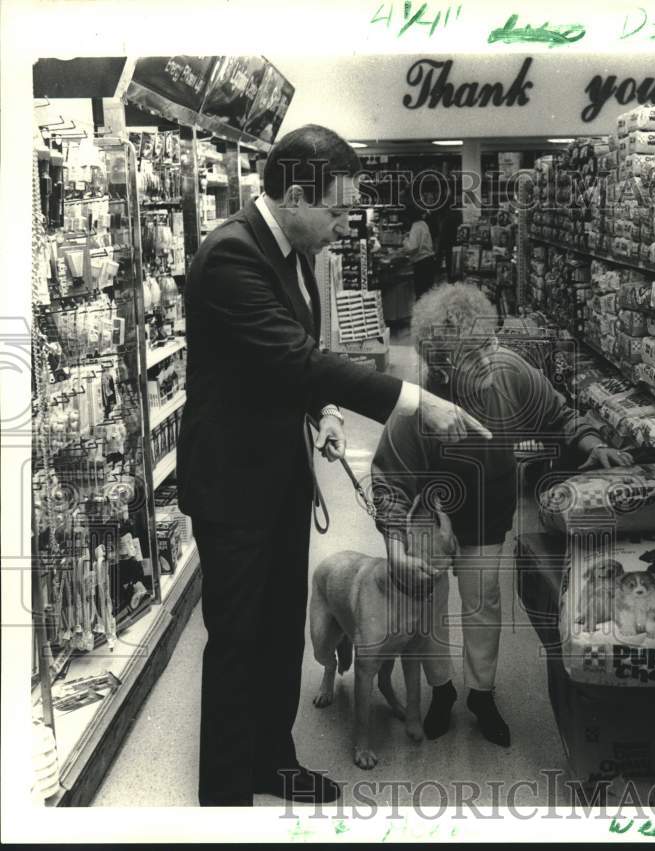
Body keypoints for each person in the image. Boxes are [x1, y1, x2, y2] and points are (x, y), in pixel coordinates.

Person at [177, 125, 491, 807]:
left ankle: (272, 759)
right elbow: (295, 358)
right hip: (234, 486)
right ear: (296, 195)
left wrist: (320, 411)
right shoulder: (230, 254)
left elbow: (292, 355)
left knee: (282, 623)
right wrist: (413, 400)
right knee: (237, 640)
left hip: (280, 474)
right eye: (339, 209)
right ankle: (226, 801)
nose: (346, 224)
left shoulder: (295, 253)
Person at [370, 283, 633, 748]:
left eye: (488, 345)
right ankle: (441, 688)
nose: (489, 359)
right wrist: (395, 538)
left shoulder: (510, 373)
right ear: (443, 364)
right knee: (429, 605)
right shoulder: (417, 406)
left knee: (483, 599)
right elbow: (389, 478)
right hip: (429, 521)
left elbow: (557, 413)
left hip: (489, 511)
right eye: (474, 354)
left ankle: (481, 693)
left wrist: (593, 444)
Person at [397, 201, 437, 299]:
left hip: (422, 263)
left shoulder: (415, 226)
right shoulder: (423, 224)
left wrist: (405, 240)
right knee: (428, 294)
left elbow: (413, 247)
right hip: (429, 261)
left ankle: (420, 313)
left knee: (421, 294)